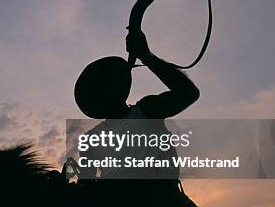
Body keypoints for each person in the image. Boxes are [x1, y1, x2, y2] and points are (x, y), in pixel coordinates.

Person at [73, 29, 199, 179]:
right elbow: (87, 185)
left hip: (163, 199)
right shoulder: (89, 142)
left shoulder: (147, 111)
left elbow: (188, 93)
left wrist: (146, 55)